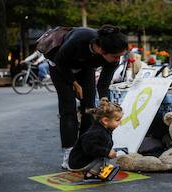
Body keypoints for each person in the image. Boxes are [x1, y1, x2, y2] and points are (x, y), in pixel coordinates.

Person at [48, 24, 128, 169]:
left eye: (120, 56)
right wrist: (74, 83)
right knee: (68, 108)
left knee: (89, 108)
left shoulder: (112, 59)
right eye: (115, 56)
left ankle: (85, 149)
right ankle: (69, 153)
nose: (118, 60)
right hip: (60, 65)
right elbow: (60, 61)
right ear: (102, 50)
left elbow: (103, 84)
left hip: (85, 68)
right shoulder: (79, 39)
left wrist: (106, 105)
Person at [68, 98, 123, 181]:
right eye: (117, 120)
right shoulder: (96, 132)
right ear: (105, 121)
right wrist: (107, 152)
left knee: (107, 158)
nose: (120, 122)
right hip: (78, 162)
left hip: (83, 160)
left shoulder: (103, 129)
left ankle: (92, 171)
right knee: (104, 159)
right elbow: (90, 148)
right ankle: (91, 175)